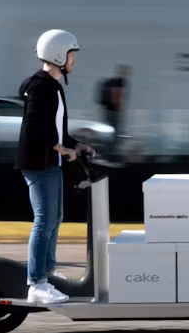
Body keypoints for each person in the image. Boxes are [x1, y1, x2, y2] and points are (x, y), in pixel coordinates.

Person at [17, 29, 95, 305]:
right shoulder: (41, 87)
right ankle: (36, 283)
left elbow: (55, 129)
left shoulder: (52, 86)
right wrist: (60, 148)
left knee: (55, 218)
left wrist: (77, 145)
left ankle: (47, 273)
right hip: (39, 163)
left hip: (51, 161)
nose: (74, 60)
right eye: (72, 54)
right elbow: (36, 127)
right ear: (59, 54)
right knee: (44, 221)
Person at [99, 65, 130, 158]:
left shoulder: (114, 81)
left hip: (108, 110)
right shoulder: (120, 81)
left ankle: (108, 153)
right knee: (116, 133)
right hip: (113, 112)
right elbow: (116, 96)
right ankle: (110, 154)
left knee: (112, 132)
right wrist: (120, 109)